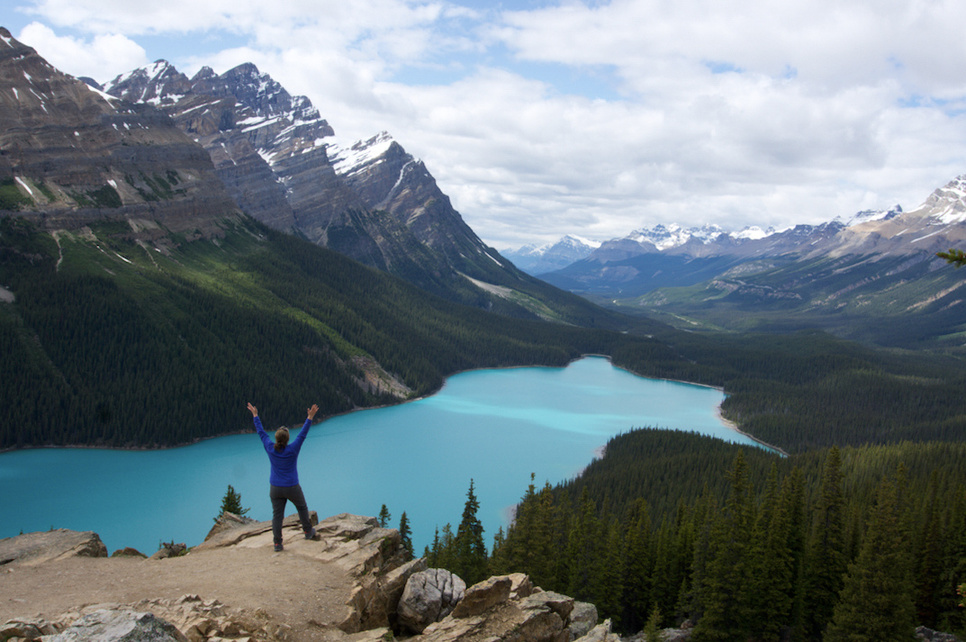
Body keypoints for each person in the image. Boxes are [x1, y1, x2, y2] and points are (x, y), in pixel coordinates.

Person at [247, 402, 320, 551]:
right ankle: (307, 531)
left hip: (275, 488)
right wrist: (310, 417)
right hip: (292, 486)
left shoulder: (270, 448)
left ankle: (277, 544)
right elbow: (302, 434)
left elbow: (261, 433)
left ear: (276, 438)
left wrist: (255, 416)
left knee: (277, 516)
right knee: (302, 507)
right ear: (287, 439)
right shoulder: (293, 449)